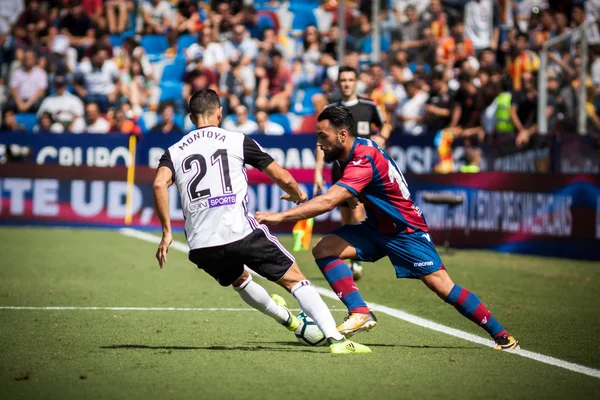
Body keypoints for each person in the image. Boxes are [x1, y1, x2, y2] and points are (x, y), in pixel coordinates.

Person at [256, 105, 519, 351]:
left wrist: (279, 217)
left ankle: (503, 337)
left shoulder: (361, 160)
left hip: (405, 232)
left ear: (343, 135)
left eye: (323, 136)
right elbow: (353, 195)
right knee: (325, 248)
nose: (318, 143)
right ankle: (359, 311)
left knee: (442, 286)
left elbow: (328, 202)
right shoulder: (353, 153)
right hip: (378, 228)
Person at [152, 89, 370, 354]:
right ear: (220, 112)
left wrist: (166, 232)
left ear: (190, 117)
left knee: (240, 280)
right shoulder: (235, 139)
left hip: (200, 244)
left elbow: (159, 184)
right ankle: (337, 340)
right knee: (296, 280)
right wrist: (297, 194)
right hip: (239, 231)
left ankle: (290, 321)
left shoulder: (174, 151)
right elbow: (281, 175)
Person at [313, 66, 389, 281]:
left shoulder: (369, 106)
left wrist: (382, 137)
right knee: (346, 216)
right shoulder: (331, 110)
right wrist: (319, 172)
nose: (346, 83)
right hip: (340, 170)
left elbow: (385, 126)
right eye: (343, 80)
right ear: (338, 83)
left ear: (356, 82)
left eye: (350, 79)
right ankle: (352, 256)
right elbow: (322, 141)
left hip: (363, 172)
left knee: (358, 212)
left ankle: (357, 259)